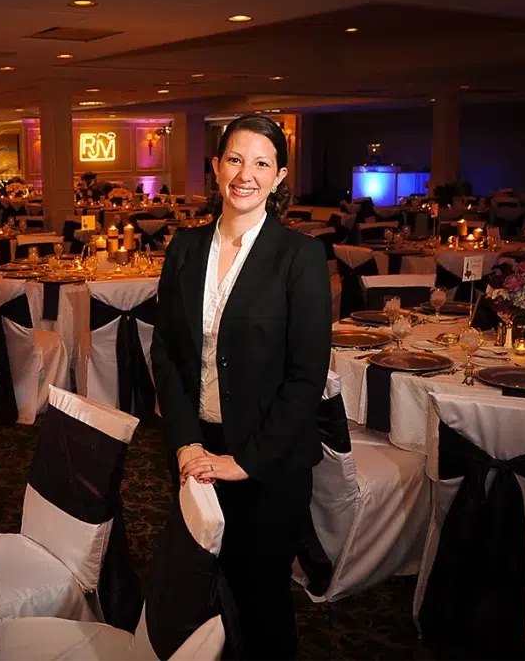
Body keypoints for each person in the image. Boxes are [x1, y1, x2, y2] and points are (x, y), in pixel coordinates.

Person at [151, 114, 331, 659]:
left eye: (261, 163)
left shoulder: (300, 257)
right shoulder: (183, 247)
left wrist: (244, 462)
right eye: (234, 159)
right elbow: (166, 353)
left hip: (267, 465)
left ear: (278, 178)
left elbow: (306, 377)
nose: (245, 174)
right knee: (200, 590)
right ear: (215, 167)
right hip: (195, 451)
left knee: (261, 599)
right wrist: (185, 442)